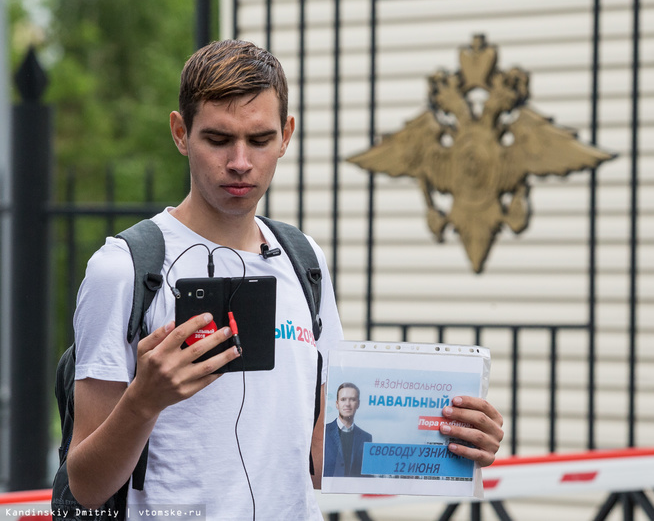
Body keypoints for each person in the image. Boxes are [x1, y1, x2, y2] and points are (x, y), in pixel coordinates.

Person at [66, 39, 505, 520]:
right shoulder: (125, 268)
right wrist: (143, 402)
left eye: (259, 140)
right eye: (217, 139)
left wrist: (450, 440)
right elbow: (86, 485)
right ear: (180, 132)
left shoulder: (303, 260)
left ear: (286, 135)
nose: (239, 162)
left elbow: (323, 458)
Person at [323, 383, 372, 477]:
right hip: (328, 489)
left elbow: (367, 474)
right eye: (343, 399)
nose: (347, 404)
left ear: (358, 404)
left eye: (352, 399)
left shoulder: (366, 437)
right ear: (337, 404)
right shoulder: (324, 432)